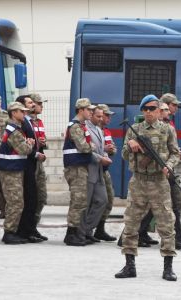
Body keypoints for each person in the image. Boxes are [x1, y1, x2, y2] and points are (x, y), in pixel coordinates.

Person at [114, 94, 180, 281]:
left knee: (166, 223)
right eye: (146, 109)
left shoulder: (167, 130)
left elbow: (175, 153)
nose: (149, 112)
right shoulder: (134, 129)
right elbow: (125, 155)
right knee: (131, 223)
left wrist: (169, 166)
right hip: (139, 181)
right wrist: (130, 145)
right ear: (142, 111)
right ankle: (129, 265)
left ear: (160, 111)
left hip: (159, 181)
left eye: (153, 109)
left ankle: (168, 267)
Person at [0, 102, 35, 244]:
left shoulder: (16, 129)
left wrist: (27, 143)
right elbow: (24, 150)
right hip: (10, 170)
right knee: (15, 202)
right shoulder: (13, 130)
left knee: (16, 202)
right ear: (14, 113)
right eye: (22, 111)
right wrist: (29, 144)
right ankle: (9, 232)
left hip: (14, 169)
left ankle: (13, 231)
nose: (25, 114)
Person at [159, 95, 181, 249]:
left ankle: (177, 235)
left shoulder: (169, 123)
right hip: (164, 169)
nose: (176, 108)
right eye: (173, 105)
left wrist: (177, 152)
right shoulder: (160, 125)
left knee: (175, 202)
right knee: (165, 205)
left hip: (170, 167)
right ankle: (175, 238)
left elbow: (169, 146)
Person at [63, 98, 95, 246]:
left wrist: (90, 145)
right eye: (88, 110)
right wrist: (92, 146)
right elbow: (83, 147)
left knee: (80, 200)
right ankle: (71, 234)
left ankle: (75, 233)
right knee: (78, 200)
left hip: (80, 166)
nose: (91, 112)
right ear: (81, 110)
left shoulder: (82, 126)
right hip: (75, 168)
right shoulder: (75, 127)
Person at [81, 105, 111, 243]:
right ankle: (82, 232)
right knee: (85, 203)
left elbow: (100, 148)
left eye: (101, 116)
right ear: (91, 115)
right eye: (98, 116)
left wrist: (105, 154)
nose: (101, 119)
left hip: (99, 171)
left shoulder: (99, 130)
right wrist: (100, 158)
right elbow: (85, 150)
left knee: (102, 200)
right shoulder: (84, 128)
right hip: (88, 170)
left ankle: (87, 228)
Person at [15, 95, 43, 243]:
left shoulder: (29, 121)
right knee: (28, 198)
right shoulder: (21, 123)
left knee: (33, 198)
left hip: (31, 163)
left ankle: (30, 229)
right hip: (26, 163)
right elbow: (23, 144)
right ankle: (24, 231)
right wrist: (35, 153)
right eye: (30, 103)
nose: (33, 105)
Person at [94, 104, 117, 242]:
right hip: (94, 169)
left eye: (108, 115)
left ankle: (100, 229)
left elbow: (113, 149)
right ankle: (88, 229)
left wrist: (110, 149)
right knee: (96, 201)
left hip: (104, 170)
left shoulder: (106, 132)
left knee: (109, 199)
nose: (108, 118)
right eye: (106, 115)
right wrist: (104, 148)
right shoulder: (93, 130)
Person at [30, 93, 49, 241]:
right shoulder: (26, 122)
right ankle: (28, 228)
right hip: (31, 162)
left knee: (41, 197)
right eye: (39, 104)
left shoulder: (39, 122)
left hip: (39, 163)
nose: (42, 106)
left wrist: (43, 142)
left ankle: (33, 226)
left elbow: (44, 142)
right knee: (31, 197)